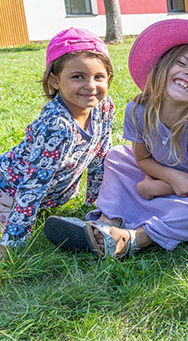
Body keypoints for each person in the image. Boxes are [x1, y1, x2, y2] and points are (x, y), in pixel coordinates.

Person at [44, 19, 188, 258]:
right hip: (164, 180)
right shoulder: (138, 110)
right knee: (118, 155)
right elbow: (141, 158)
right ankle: (107, 222)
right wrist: (169, 178)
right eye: (181, 63)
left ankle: (138, 238)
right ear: (162, 67)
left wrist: (156, 188)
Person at [0, 27, 114, 258]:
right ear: (54, 81)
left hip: (50, 196)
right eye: (77, 77)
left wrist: (94, 204)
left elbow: (101, 156)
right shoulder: (57, 126)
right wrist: (13, 243)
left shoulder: (103, 107)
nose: (91, 85)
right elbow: (33, 185)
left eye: (98, 77)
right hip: (8, 190)